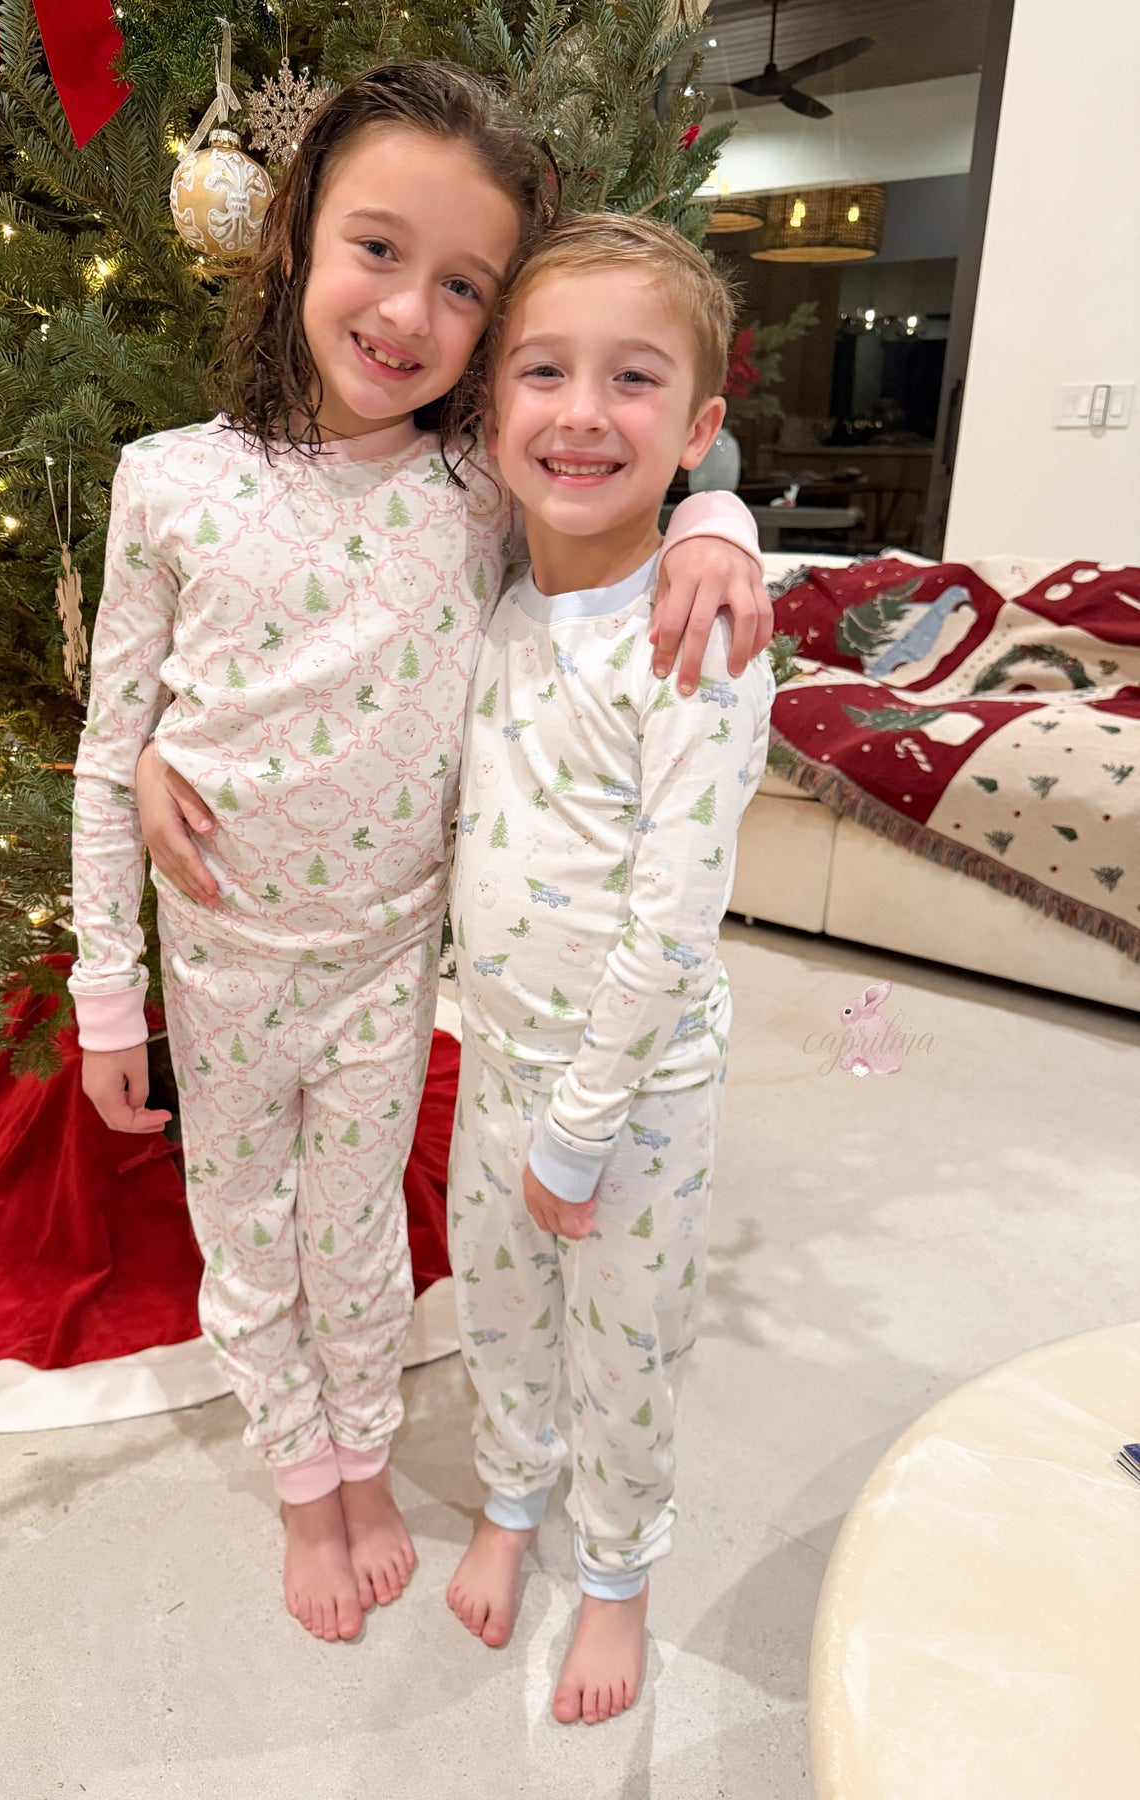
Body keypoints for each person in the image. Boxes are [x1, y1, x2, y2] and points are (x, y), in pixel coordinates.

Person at [71, 62, 769, 1651]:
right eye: (376, 250)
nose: (406, 312)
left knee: (360, 1234)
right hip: (219, 964)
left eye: (463, 286)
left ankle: (369, 1461)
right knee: (247, 1235)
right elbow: (115, 744)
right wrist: (110, 987)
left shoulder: (474, 487)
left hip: (386, 970)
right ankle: (300, 1481)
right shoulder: (167, 480)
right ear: (296, 240)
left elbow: (618, 485)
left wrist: (720, 525)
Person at [441, 214, 775, 1724]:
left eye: (632, 379)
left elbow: (673, 914)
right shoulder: (499, 589)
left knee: (625, 1349)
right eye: (543, 372)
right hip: (495, 1059)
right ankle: (511, 1501)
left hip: (630, 1096)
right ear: (489, 404)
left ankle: (620, 1575)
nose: (581, 413)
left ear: (698, 429)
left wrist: (578, 1126)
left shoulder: (699, 634)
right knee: (499, 1309)